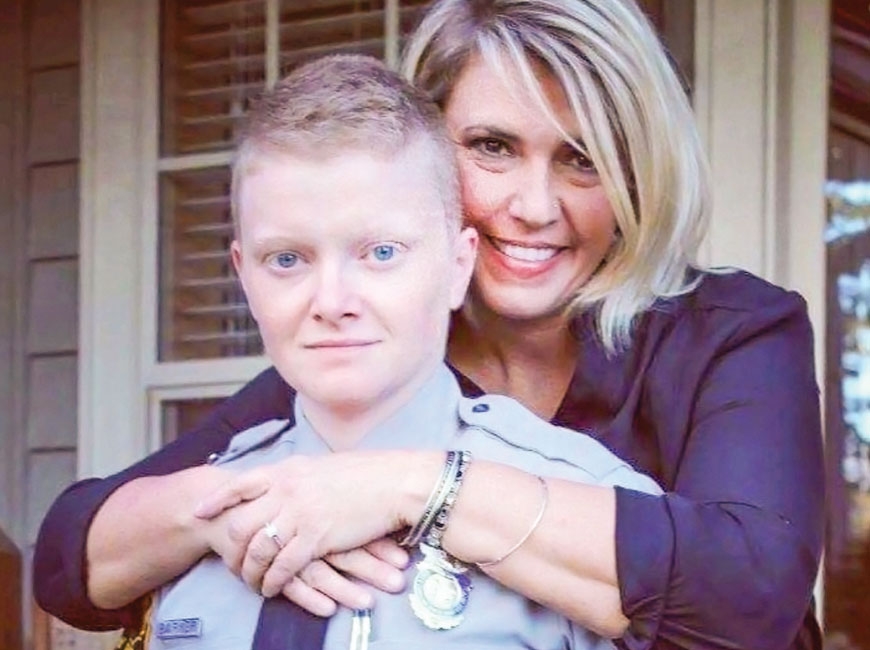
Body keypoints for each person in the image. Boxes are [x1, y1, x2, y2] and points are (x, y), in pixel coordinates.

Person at [33, 0, 825, 648]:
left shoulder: (730, 330)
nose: (535, 206)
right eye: (491, 146)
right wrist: (259, 506)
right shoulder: (376, 348)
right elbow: (74, 563)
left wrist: (411, 485)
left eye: (582, 159)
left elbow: (751, 598)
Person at [135, 52, 662, 649]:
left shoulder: (584, 501)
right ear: (244, 277)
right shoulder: (195, 524)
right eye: (287, 259)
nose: (331, 301)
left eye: (381, 253)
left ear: (458, 265)